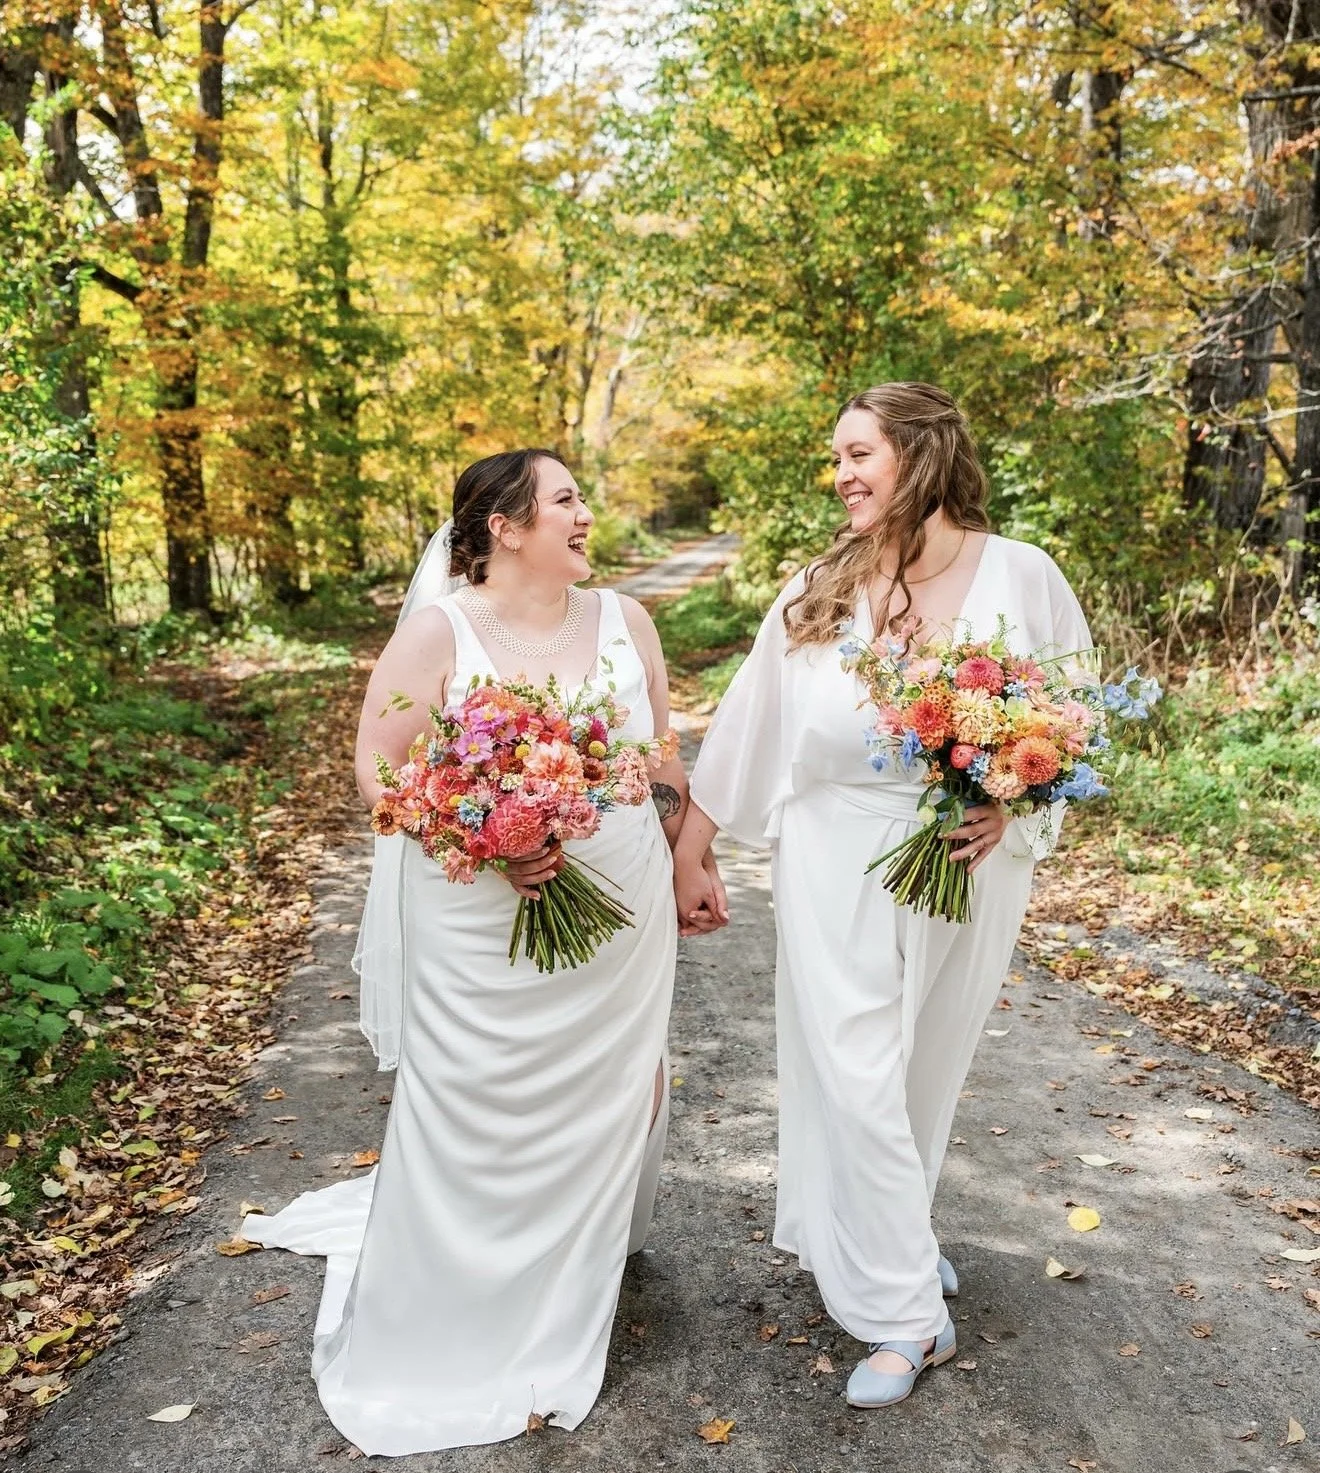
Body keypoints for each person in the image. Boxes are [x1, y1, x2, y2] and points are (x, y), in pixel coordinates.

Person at [244, 448, 716, 1455]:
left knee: (612, 1083)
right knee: (476, 1092)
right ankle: (463, 1295)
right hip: (477, 910)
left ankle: (580, 1260)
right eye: (566, 500)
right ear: (502, 526)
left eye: (583, 496)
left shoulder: (628, 625)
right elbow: (380, 773)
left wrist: (684, 859)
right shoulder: (439, 633)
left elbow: (660, 757)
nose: (587, 515)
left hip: (620, 900)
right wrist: (481, 835)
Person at [672, 383, 1094, 1409]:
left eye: (859, 454)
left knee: (922, 1072)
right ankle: (909, 1320)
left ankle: (890, 1240)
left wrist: (1014, 804)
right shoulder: (818, 587)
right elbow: (747, 727)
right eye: (839, 459)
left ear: (923, 453)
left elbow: (1074, 719)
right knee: (855, 1071)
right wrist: (694, 848)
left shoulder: (1023, 575)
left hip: (966, 862)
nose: (843, 476)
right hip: (832, 857)